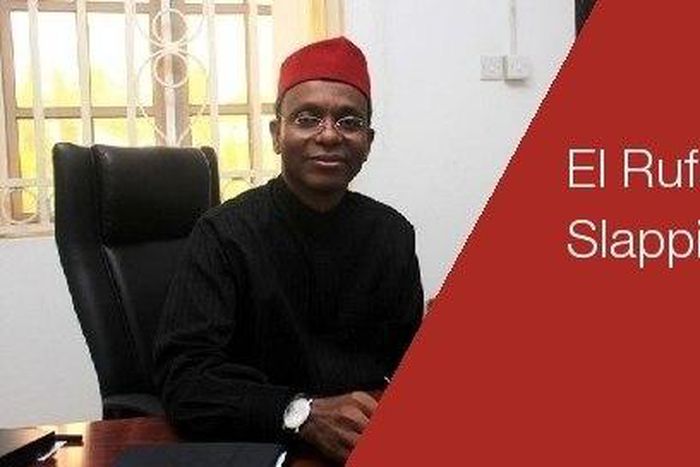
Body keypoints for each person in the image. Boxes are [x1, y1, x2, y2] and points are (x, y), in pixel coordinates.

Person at [153, 36, 423, 464]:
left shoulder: (392, 234)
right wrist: (301, 413)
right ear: (277, 134)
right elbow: (184, 380)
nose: (329, 135)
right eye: (307, 118)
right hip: (260, 448)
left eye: (349, 121)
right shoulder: (224, 234)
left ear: (368, 142)